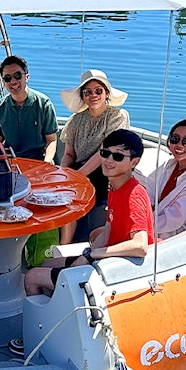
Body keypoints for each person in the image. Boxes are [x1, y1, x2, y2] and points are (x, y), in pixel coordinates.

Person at [25, 129, 153, 296]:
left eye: (118, 156)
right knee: (45, 263)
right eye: (105, 153)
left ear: (134, 162)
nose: (109, 160)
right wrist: (84, 256)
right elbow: (108, 233)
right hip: (105, 259)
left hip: (116, 269)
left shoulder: (133, 195)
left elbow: (140, 246)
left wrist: (91, 255)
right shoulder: (115, 188)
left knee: (31, 277)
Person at [58, 69, 130, 242]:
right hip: (79, 169)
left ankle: (64, 248)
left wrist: (78, 176)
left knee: (70, 200)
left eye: (98, 91)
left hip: (105, 172)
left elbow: (104, 153)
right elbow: (69, 153)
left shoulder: (118, 116)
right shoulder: (76, 119)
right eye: (88, 92)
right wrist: (61, 174)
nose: (93, 95)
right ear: (82, 96)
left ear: (107, 93)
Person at [141, 119, 186, 239]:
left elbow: (174, 219)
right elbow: (149, 191)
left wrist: (141, 225)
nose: (179, 145)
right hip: (150, 222)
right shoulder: (169, 165)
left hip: (171, 235)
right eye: (175, 139)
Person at [0, 55, 59, 161]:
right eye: (7, 78)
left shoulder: (44, 104)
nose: (13, 81)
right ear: (3, 82)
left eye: (17, 75)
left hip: (39, 160)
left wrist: (46, 163)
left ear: (26, 77)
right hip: (12, 161)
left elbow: (51, 140)